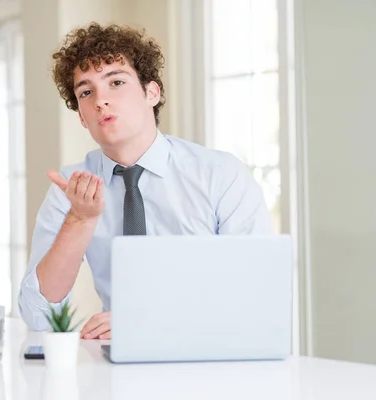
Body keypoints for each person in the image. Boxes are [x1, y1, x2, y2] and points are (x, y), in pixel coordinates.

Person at [18, 22, 273, 338]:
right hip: (114, 365)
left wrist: (146, 319)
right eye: (86, 91)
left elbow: (257, 292)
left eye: (116, 82)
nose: (101, 100)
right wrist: (80, 220)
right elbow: (38, 315)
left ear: (152, 92)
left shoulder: (220, 175)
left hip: (211, 354)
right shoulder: (72, 189)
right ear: (82, 117)